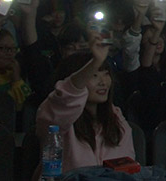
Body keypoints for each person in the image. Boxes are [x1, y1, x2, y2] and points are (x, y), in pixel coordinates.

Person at [35, 32, 134, 175]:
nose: (103, 82)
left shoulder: (116, 118)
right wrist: (95, 62)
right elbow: (66, 98)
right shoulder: (57, 119)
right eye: (94, 75)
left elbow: (128, 170)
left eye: (106, 74)